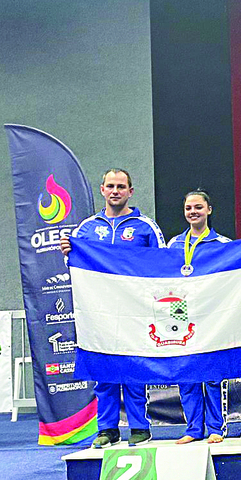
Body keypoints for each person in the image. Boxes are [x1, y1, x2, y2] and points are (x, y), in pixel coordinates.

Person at [59, 168, 165, 448]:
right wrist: (68, 253)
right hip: (98, 312)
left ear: (130, 191)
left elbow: (162, 265)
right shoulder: (86, 229)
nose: (115, 191)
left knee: (134, 369)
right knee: (103, 371)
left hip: (134, 311)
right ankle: (107, 428)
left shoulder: (146, 227)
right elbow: (74, 268)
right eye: (110, 186)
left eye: (121, 186)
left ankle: (140, 426)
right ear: (102, 190)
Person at [166, 191, 230, 444]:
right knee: (186, 375)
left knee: (213, 376)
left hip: (211, 315)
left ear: (209, 210)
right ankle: (193, 429)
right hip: (180, 314)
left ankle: (216, 427)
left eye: (198, 207)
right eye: (189, 208)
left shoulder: (224, 245)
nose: (193, 212)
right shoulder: (173, 245)